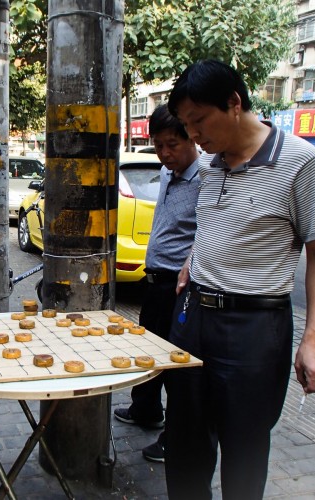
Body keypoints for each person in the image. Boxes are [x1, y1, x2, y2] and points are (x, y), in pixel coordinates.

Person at [164, 59, 315, 500]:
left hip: (254, 329)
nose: (195, 135)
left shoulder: (301, 162)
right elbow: (214, 224)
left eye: (199, 121)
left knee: (243, 449)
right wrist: (192, 259)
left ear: (234, 103)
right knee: (183, 442)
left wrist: (313, 340)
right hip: (192, 318)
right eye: (187, 125)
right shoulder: (209, 165)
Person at [113, 104, 200, 463]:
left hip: (182, 289)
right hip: (155, 281)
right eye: (158, 145)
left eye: (172, 145)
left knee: (177, 364)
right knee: (149, 352)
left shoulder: (207, 178)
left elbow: (209, 234)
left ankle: (176, 438)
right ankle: (146, 409)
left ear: (192, 139)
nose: (165, 154)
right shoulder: (167, 173)